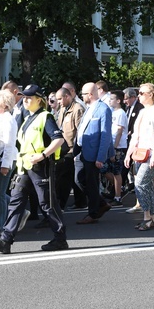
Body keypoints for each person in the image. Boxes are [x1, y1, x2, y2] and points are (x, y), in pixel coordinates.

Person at [0, 84, 69, 254]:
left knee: (47, 203)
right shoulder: (27, 118)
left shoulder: (46, 117)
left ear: (39, 99)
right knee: (16, 201)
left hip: (41, 166)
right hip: (25, 166)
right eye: (24, 97)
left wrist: (43, 155)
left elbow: (59, 139)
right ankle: (6, 240)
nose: (25, 100)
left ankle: (60, 238)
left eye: (30, 97)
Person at [123, 83, 154, 230]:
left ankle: (147, 216)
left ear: (151, 94)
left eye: (142, 93)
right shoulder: (142, 112)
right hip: (141, 152)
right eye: (139, 92)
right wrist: (129, 153)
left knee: (140, 182)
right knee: (147, 185)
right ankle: (151, 217)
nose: (139, 95)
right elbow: (136, 135)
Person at [74, 82, 113, 224]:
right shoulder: (89, 108)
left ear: (90, 94)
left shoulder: (103, 109)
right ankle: (101, 203)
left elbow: (105, 135)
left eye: (83, 94)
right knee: (79, 179)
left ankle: (93, 213)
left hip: (93, 153)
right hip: (82, 151)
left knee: (91, 183)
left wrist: (101, 157)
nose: (81, 96)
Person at [0, 89, 19, 232]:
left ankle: (1, 226)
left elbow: (9, 144)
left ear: (5, 105)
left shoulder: (8, 120)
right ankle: (19, 212)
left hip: (5, 160)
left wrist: (5, 165)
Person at [54, 86, 85, 209]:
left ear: (67, 96)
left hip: (72, 149)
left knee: (66, 177)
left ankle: (73, 202)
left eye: (60, 99)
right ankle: (65, 203)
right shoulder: (62, 109)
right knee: (66, 178)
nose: (59, 102)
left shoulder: (77, 109)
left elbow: (80, 131)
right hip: (63, 148)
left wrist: (78, 151)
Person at [104, 90, 128, 206]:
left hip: (118, 146)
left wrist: (114, 147)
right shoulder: (112, 112)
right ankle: (119, 187)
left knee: (117, 171)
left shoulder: (120, 113)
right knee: (105, 169)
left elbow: (119, 131)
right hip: (111, 145)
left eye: (112, 99)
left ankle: (118, 196)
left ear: (118, 101)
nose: (110, 100)